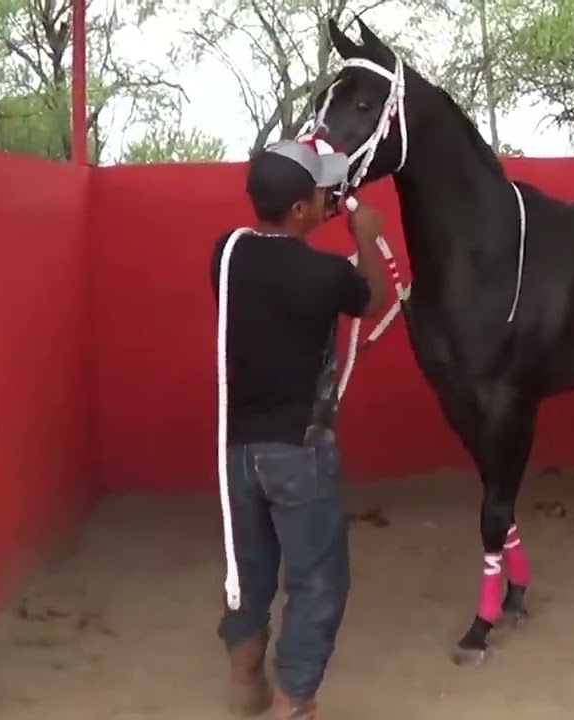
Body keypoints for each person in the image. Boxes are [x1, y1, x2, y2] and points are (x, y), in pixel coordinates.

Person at [211, 137, 387, 720]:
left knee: (250, 569)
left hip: (238, 451)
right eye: (319, 192)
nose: (326, 199)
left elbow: (276, 258)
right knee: (317, 581)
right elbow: (372, 297)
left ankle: (244, 686)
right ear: (300, 209)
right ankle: (294, 704)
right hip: (299, 452)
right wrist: (365, 236)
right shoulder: (327, 275)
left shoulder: (228, 253)